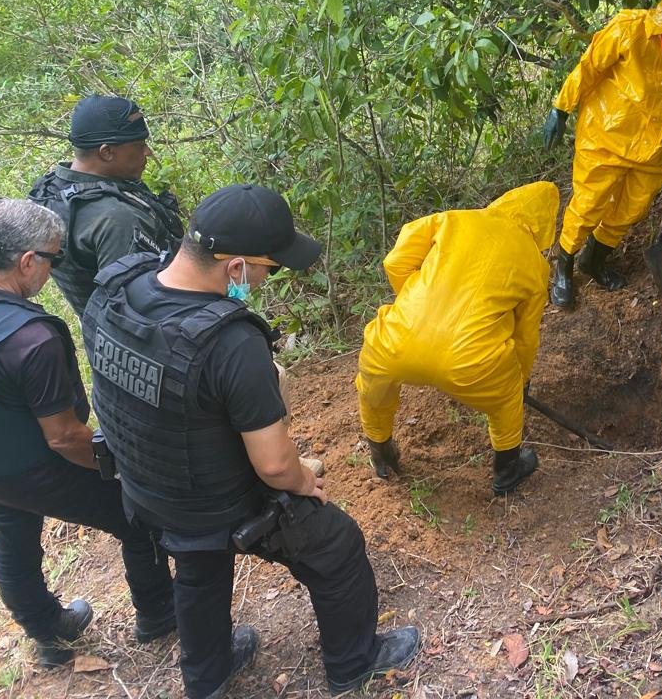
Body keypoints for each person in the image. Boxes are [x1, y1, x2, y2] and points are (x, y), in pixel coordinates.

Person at [81, 184, 418, 699]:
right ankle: (355, 664)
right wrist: (306, 480)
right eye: (269, 267)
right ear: (234, 266)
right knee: (336, 543)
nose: (267, 278)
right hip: (217, 500)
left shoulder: (115, 289)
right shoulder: (230, 343)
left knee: (197, 565)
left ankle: (207, 679)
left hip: (146, 486)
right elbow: (276, 467)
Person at [0, 199, 175, 667]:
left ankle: (49, 633)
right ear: (27, 262)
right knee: (138, 518)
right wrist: (125, 467)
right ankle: (160, 615)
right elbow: (66, 438)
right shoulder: (32, 338)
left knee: (12, 540)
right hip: (40, 468)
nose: (53, 270)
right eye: (53, 258)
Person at [355, 181, 558, 495]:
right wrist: (522, 379)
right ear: (544, 226)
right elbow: (526, 335)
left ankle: (382, 456)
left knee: (373, 388)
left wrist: (415, 305)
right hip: (471, 363)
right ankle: (506, 471)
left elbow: (394, 261)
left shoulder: (454, 219)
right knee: (506, 400)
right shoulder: (535, 265)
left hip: (394, 341)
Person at [543, 0, 662, 309]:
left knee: (631, 208)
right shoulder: (628, 29)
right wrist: (560, 108)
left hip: (655, 143)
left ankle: (594, 259)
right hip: (606, 134)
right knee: (589, 203)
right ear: (659, 23)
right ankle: (563, 265)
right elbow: (588, 68)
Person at [29, 94, 183, 317]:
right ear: (107, 152)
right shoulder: (118, 219)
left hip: (100, 338)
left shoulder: (52, 189)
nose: (147, 151)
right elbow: (137, 313)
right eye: (139, 145)